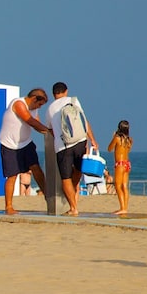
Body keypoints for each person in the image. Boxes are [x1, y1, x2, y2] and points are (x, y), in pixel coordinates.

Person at [46, 82, 98, 216]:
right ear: (66, 91)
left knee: (66, 178)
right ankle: (74, 194)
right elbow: (84, 121)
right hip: (80, 141)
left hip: (63, 146)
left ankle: (73, 208)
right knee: (78, 171)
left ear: (53, 94)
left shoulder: (50, 108)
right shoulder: (73, 101)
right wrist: (92, 140)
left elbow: (50, 130)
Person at [0, 89, 52, 215]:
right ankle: (8, 206)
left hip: (26, 143)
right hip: (10, 145)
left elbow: (37, 124)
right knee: (12, 176)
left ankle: (48, 198)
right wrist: (49, 131)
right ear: (34, 99)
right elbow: (30, 121)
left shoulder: (34, 109)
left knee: (36, 169)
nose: (39, 107)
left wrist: (49, 132)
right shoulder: (18, 104)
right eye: (39, 104)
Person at [106, 120, 133, 215]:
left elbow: (109, 149)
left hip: (120, 164)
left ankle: (122, 208)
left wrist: (113, 137)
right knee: (125, 186)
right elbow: (127, 151)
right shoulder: (129, 140)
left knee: (118, 186)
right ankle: (125, 207)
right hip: (127, 164)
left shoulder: (117, 138)